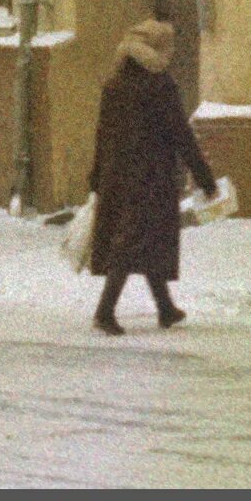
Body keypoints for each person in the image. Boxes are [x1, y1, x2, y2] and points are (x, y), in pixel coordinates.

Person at [84, 19, 216, 336]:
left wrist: (97, 175)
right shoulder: (159, 87)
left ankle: (166, 308)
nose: (171, 52)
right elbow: (180, 135)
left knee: (144, 241)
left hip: (118, 176)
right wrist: (204, 177)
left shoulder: (115, 84)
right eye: (168, 46)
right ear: (155, 49)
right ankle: (104, 311)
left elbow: (103, 135)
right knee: (132, 244)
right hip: (151, 177)